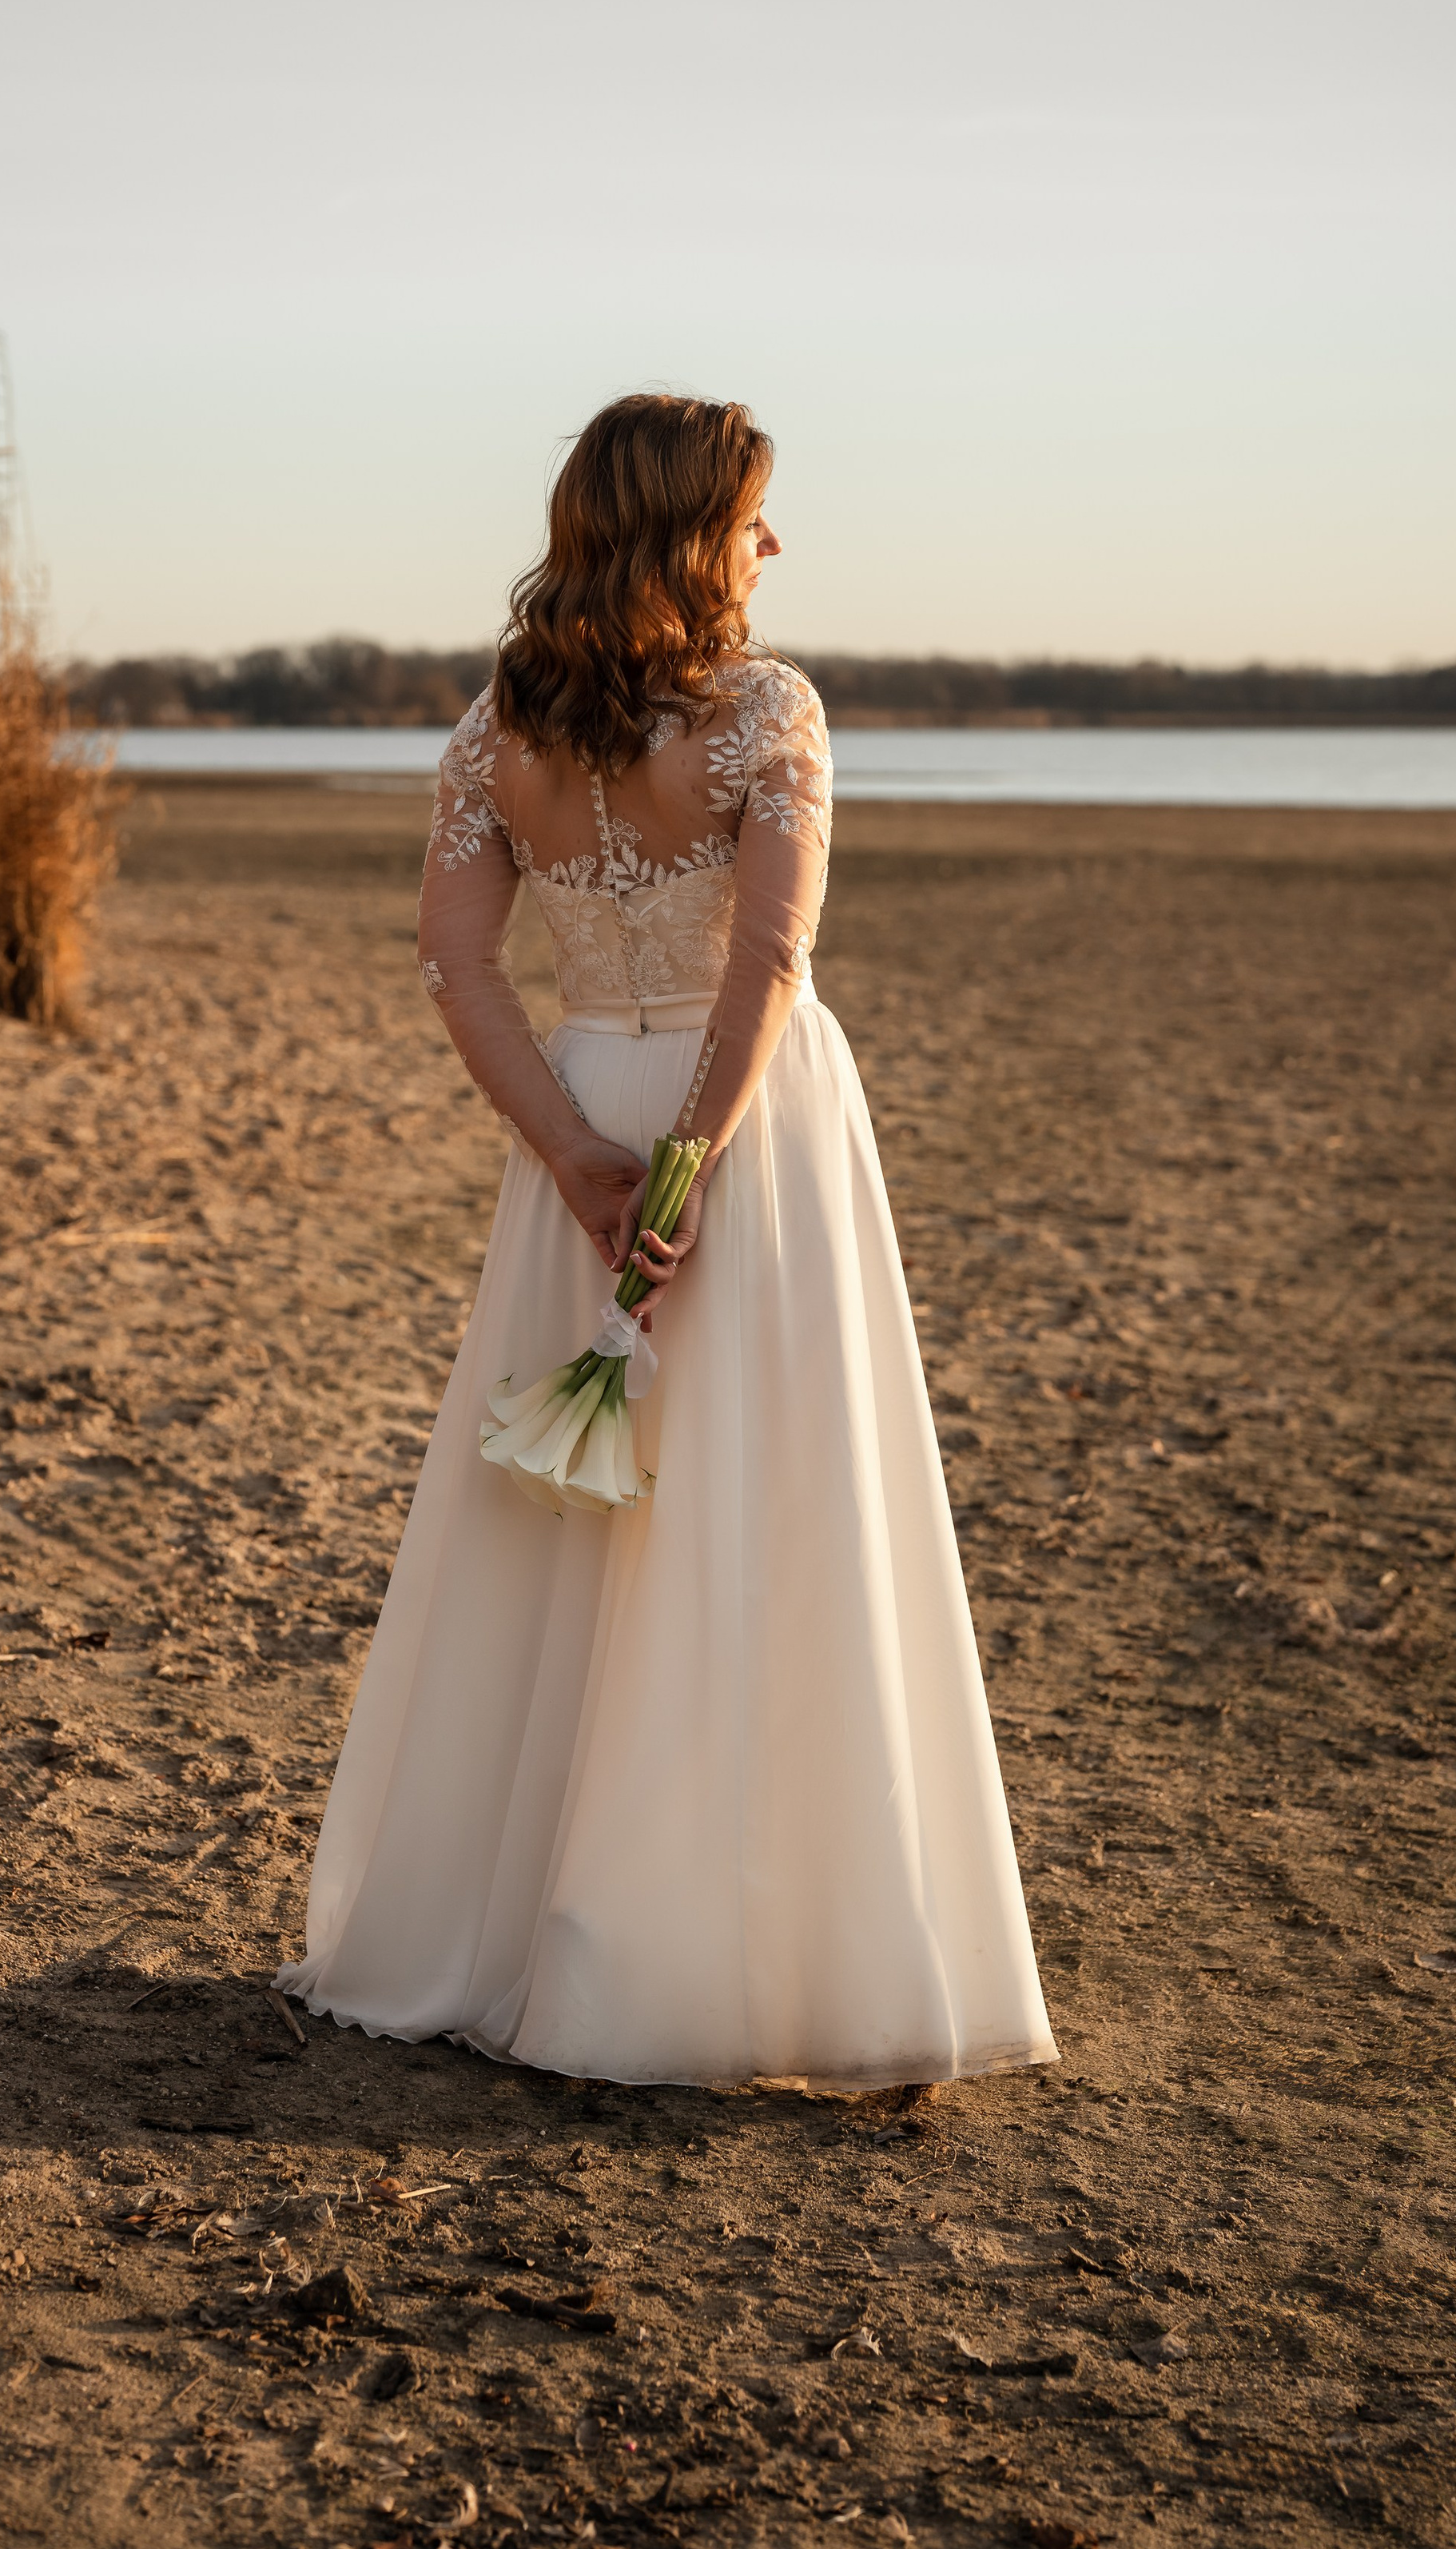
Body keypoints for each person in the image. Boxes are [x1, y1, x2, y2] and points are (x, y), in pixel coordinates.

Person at [280, 393, 1056, 2091]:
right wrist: (691, 1165)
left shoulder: (497, 729)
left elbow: (458, 963)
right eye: (752, 514)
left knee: (575, 1516)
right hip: (747, 1125)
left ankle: (520, 1930)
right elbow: (768, 963)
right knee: (759, 1502)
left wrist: (576, 1152)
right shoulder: (769, 710)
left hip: (581, 1121)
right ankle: (750, 1952)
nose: (774, 544)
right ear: (689, 531)